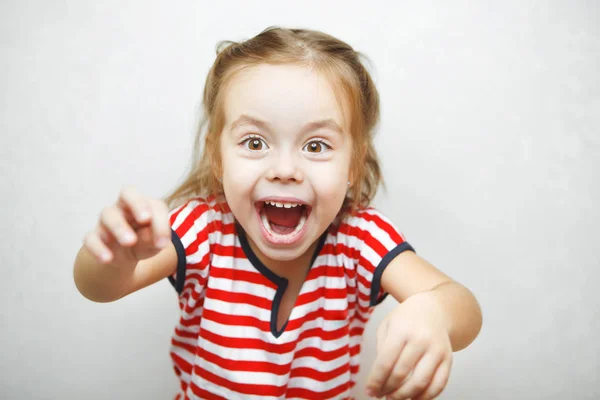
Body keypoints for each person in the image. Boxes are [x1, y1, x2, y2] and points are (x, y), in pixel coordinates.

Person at [73, 26, 482, 400]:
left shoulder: (359, 240)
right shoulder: (201, 232)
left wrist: (434, 312)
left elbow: (461, 306)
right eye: (254, 143)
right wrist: (115, 254)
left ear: (353, 165)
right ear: (218, 157)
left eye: (316, 146)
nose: (285, 170)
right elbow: (99, 288)